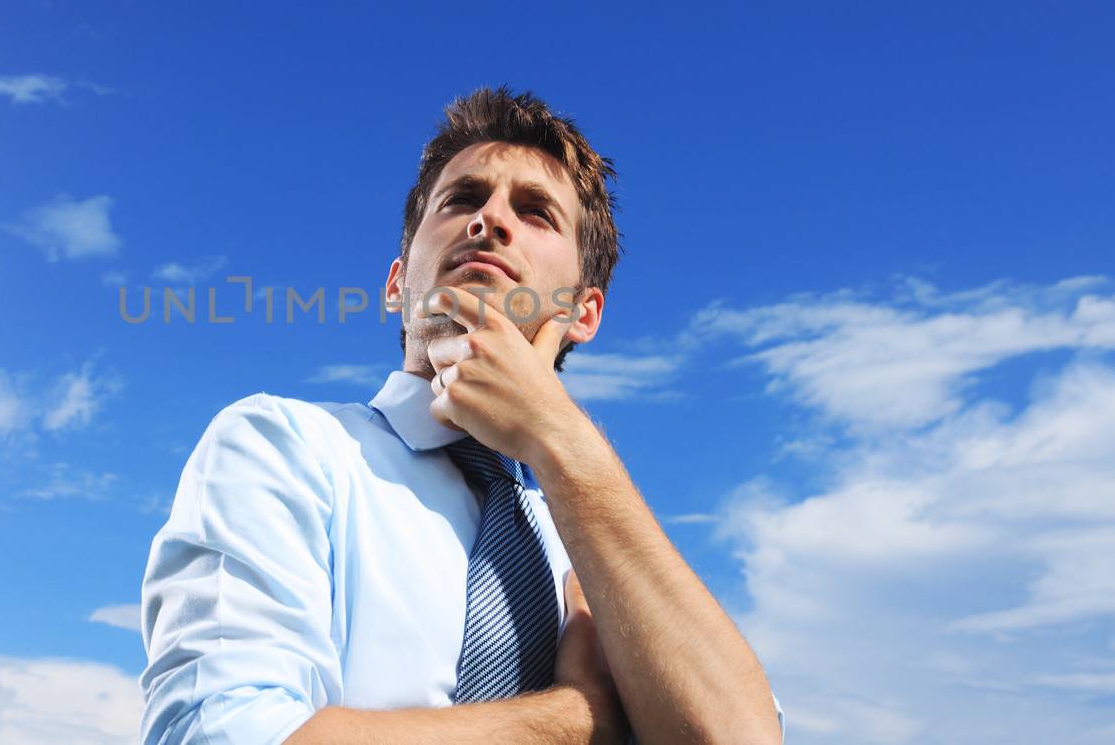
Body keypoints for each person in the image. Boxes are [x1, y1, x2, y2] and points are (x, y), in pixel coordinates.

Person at [138, 87, 786, 744]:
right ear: (397, 284)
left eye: (535, 211)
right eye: (462, 200)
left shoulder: (600, 535)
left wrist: (562, 439)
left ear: (584, 313)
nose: (489, 221)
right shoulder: (282, 447)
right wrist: (575, 719)